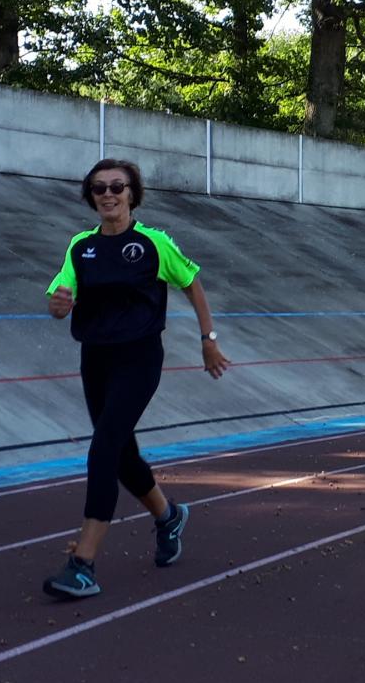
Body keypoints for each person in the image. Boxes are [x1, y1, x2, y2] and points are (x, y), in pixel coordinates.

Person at [41, 158, 230, 599]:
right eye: (99, 188)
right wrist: (58, 303)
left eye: (117, 187)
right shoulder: (80, 246)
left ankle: (83, 563)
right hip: (95, 359)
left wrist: (209, 339)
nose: (108, 194)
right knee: (122, 455)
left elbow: (193, 283)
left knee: (103, 448)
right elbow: (59, 292)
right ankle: (168, 517)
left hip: (140, 357)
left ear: (132, 194)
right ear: (90, 196)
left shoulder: (153, 243)